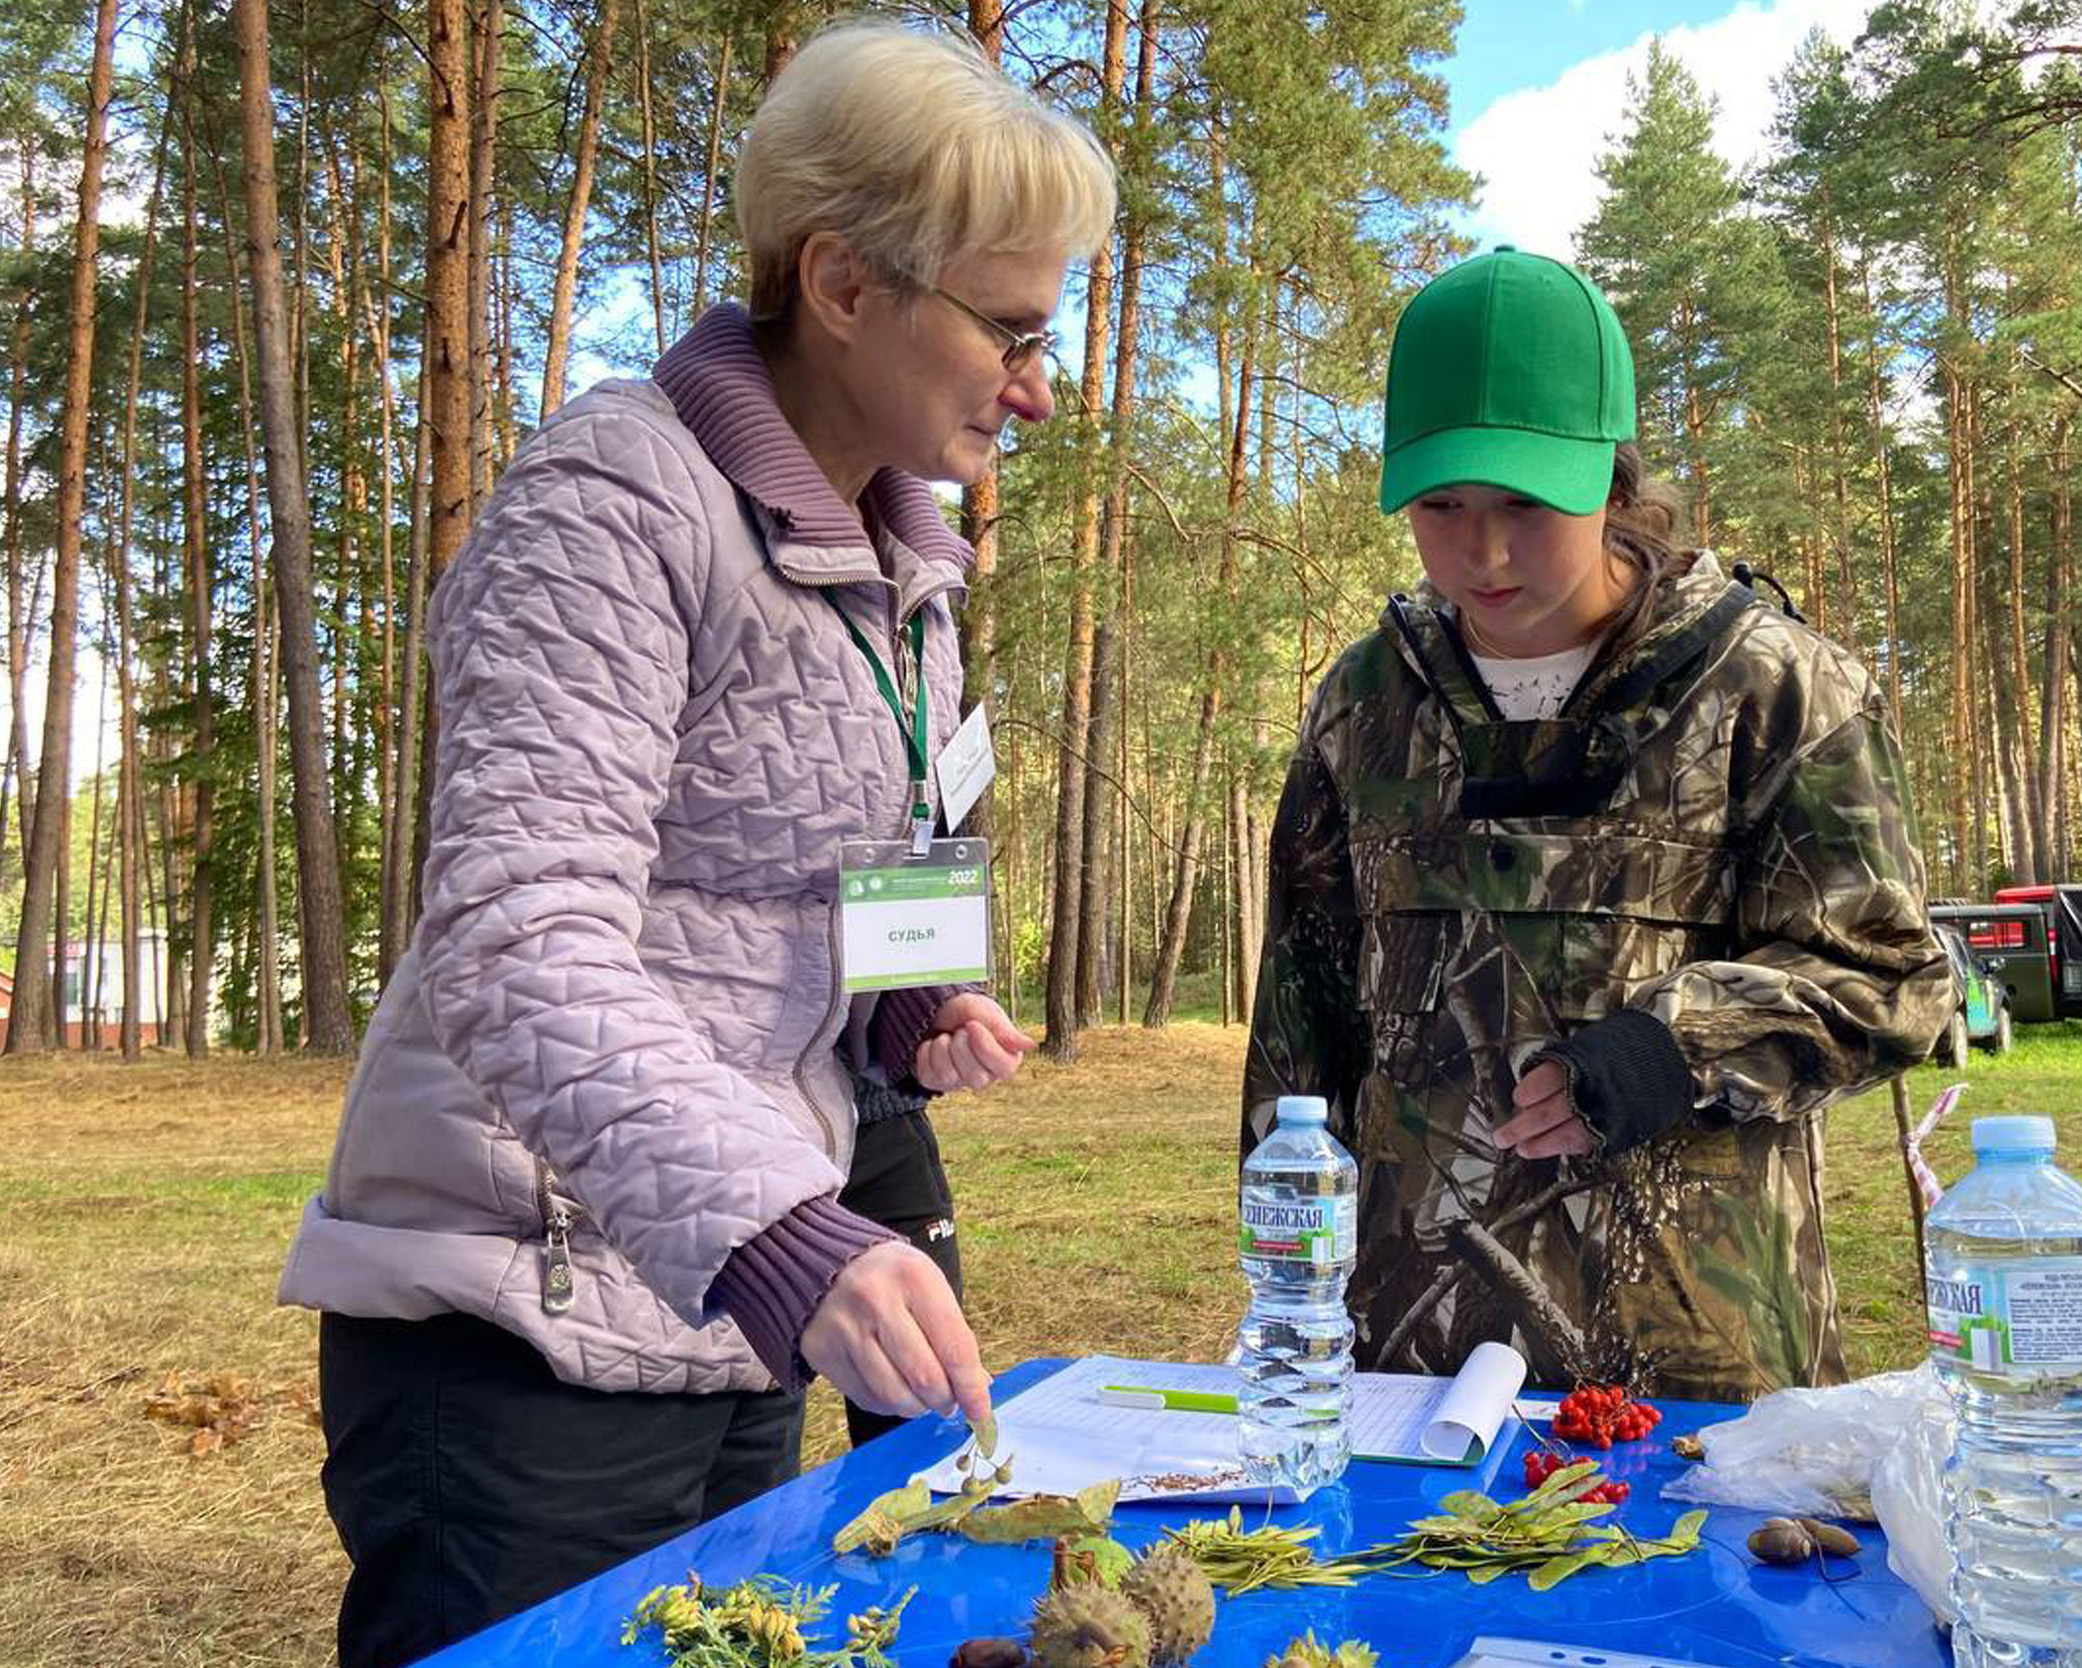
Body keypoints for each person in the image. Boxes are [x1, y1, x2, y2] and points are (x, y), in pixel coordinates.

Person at [275, 26, 1113, 1667]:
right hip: (532, 1319)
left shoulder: (904, 567)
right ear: (845, 284)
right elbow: (519, 942)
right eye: (1009, 328)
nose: (1036, 382)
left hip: (731, 1318)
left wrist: (896, 1007)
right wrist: (783, 1235)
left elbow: (778, 894)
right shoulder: (613, 506)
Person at [1240, 248, 1954, 1406]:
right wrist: (1283, 1297)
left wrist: (1668, 1048)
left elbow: (1892, 978)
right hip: (1398, 1370)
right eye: (1441, 507)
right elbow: (1300, 1029)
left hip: (1696, 1368)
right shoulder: (1366, 705)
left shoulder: (1769, 688)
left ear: (1614, 485)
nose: (1483, 554)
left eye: (1527, 503)